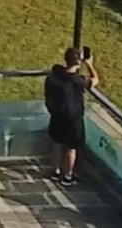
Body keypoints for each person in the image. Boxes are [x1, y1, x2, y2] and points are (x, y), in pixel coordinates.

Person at [43, 47, 94, 182]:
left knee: (57, 143)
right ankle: (68, 175)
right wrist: (90, 64)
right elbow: (95, 80)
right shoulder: (77, 81)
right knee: (71, 148)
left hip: (57, 115)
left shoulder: (54, 76)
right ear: (78, 62)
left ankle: (55, 170)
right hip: (73, 119)